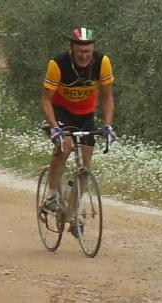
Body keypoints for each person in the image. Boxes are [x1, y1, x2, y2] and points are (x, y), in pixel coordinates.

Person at [41, 27, 116, 236]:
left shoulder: (103, 63)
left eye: (88, 52)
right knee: (64, 147)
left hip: (86, 115)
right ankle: (51, 194)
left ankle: (73, 216)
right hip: (61, 112)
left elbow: (108, 98)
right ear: (72, 49)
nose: (84, 56)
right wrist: (55, 128)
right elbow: (46, 100)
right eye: (80, 52)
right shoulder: (58, 64)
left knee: (85, 167)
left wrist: (108, 125)